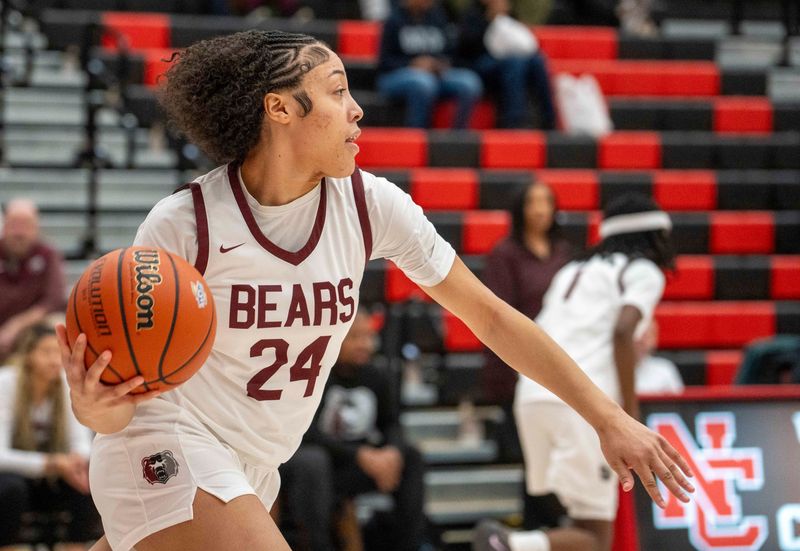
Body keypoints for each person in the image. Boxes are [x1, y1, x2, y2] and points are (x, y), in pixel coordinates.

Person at [56, 30, 692, 551]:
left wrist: (609, 419)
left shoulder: (372, 208)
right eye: (337, 91)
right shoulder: (184, 223)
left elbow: (492, 319)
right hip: (168, 444)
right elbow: (125, 400)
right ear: (279, 107)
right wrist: (92, 408)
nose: (357, 108)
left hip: (254, 465)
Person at [475, 194, 677, 551]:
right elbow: (622, 332)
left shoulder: (572, 268)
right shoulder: (642, 270)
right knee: (596, 537)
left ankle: (516, 543)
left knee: (568, 519)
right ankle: (506, 544)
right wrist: (629, 414)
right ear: (654, 236)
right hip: (583, 404)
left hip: (534, 396)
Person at [281, 308, 426, 551]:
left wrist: (391, 452)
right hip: (320, 463)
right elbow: (307, 432)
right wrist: (360, 455)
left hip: (356, 466)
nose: (365, 345)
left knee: (411, 457)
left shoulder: (376, 375)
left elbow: (391, 422)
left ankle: (406, 545)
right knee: (313, 462)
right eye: (356, 337)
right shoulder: (314, 372)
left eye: (369, 337)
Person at [481, 180, 571, 461]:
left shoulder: (564, 252)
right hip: (522, 358)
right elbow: (497, 311)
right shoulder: (504, 253)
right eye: (533, 202)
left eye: (547, 201)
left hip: (564, 351)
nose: (541, 209)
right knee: (531, 455)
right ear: (520, 209)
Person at [0, 323, 100, 551]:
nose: (55, 360)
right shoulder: (6, 382)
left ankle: (74, 546)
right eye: (46, 352)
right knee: (10, 489)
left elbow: (81, 444)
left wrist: (74, 463)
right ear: (28, 355)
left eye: (58, 352)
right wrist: (52, 463)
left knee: (87, 482)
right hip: (16, 477)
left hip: (55, 476)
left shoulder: (65, 383)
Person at [377, 0, 483, 128]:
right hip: (396, 75)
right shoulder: (394, 20)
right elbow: (385, 62)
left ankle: (458, 136)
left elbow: (450, 52)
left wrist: (440, 63)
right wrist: (412, 64)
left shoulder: (438, 17)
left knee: (470, 82)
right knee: (423, 83)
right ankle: (417, 134)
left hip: (435, 74)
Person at [457, 0, 556, 129]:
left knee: (537, 60)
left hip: (508, 59)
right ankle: (514, 121)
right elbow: (466, 46)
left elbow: (520, 40)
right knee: (514, 63)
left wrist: (505, 17)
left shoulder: (508, 13)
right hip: (478, 62)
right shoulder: (473, 13)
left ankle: (549, 119)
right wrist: (489, 20)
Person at [0, 199, 66, 362]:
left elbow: (54, 300)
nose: (19, 232)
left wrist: (16, 326)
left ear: (36, 228)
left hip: (31, 330)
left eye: (26, 225)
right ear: (4, 226)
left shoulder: (48, 254)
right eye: (14, 224)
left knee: (57, 323)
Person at [634, 321, 683, 395]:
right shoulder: (611, 370)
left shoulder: (665, 369)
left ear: (654, 339)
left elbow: (679, 404)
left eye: (646, 335)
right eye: (635, 335)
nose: (640, 340)